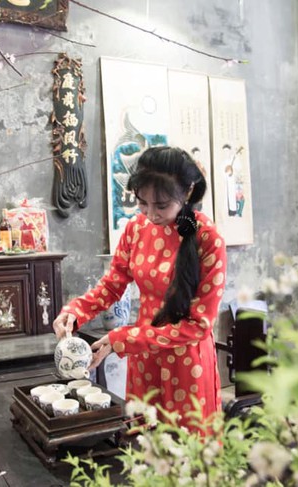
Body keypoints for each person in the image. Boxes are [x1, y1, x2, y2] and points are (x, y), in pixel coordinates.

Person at [53, 146, 227, 430]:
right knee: (144, 442)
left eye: (161, 205)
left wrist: (124, 339)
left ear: (187, 192)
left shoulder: (208, 239)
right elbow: (113, 284)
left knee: (186, 447)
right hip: (144, 358)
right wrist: (75, 311)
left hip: (187, 365)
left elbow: (198, 326)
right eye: (143, 203)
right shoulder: (136, 228)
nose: (151, 214)